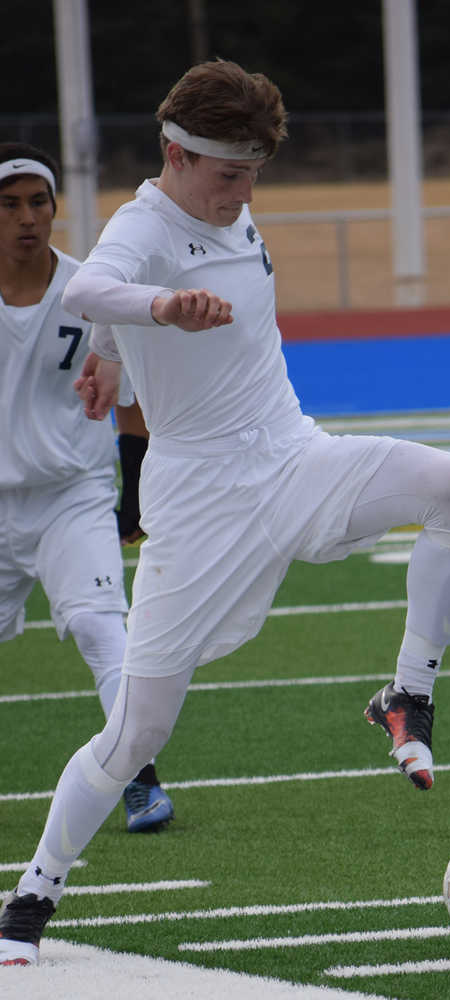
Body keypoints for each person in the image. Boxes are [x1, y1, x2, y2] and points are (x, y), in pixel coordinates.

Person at [0, 60, 450, 967]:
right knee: (137, 730)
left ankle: (408, 695)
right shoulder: (144, 224)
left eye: (254, 172)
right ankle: (33, 894)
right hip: (196, 503)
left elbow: (103, 330)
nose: (243, 191)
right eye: (228, 173)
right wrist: (160, 311)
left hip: (295, 456)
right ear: (174, 154)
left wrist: (109, 360)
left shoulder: (233, 201)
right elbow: (87, 290)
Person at [0, 143, 173, 835]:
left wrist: (133, 491)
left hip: (73, 496)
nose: (26, 218)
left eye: (37, 202)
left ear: (54, 208)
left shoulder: (85, 293)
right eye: (9, 204)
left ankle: (138, 778)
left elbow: (129, 397)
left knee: (106, 631)